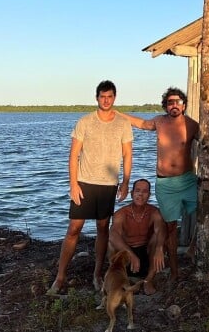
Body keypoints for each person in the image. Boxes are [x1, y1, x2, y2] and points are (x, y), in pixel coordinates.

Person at [47, 80, 133, 295]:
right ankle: (60, 277)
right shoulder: (85, 122)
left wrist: (125, 182)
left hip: (108, 184)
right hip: (84, 183)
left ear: (114, 98)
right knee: (74, 228)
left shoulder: (123, 123)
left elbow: (127, 154)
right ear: (97, 98)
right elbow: (73, 154)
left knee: (103, 229)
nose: (106, 100)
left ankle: (97, 274)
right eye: (102, 96)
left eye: (110, 96)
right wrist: (73, 184)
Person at [119, 87, 199, 282]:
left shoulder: (192, 125)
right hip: (165, 183)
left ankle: (193, 247)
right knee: (170, 227)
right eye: (170, 102)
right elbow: (140, 123)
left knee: (205, 212)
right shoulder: (159, 122)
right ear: (166, 105)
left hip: (188, 180)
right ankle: (174, 271)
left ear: (184, 105)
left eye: (178, 102)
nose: (174, 105)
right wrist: (117, 114)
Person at [108, 178, 166, 294]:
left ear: (149, 195)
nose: (140, 194)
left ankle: (148, 280)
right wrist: (131, 254)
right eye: (137, 190)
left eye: (145, 191)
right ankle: (120, 278)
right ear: (131, 193)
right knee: (110, 243)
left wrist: (159, 248)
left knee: (158, 237)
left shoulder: (154, 212)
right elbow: (113, 235)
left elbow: (161, 230)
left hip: (146, 254)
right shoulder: (121, 214)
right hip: (127, 257)